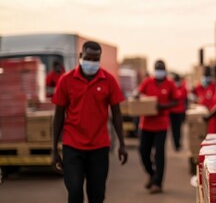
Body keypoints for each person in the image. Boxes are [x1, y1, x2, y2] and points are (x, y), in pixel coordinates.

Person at [51, 41, 128, 203]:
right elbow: (58, 116)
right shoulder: (66, 80)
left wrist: (122, 143)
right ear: (81, 56)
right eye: (88, 58)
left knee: (97, 193)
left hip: (99, 147)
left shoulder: (108, 80)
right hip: (72, 146)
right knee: (75, 189)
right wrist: (54, 149)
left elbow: (117, 114)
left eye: (95, 59)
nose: (91, 63)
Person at [137, 60, 178, 194]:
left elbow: (176, 101)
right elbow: (138, 94)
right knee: (143, 152)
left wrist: (163, 107)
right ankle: (152, 173)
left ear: (165, 70)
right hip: (146, 124)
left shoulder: (170, 84)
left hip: (161, 124)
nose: (159, 71)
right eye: (157, 69)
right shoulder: (147, 82)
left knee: (159, 154)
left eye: (161, 69)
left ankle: (158, 183)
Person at [169, 73, 188, 152]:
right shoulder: (171, 88)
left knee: (179, 128)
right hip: (172, 112)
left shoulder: (183, 88)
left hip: (180, 111)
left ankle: (178, 142)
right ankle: (175, 144)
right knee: (173, 129)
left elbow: (185, 100)